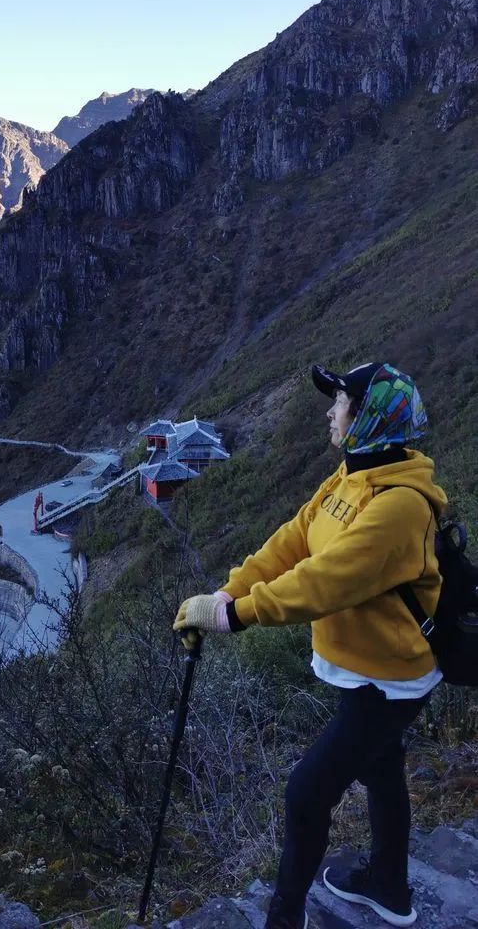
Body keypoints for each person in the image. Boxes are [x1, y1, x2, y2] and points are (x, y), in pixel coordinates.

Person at [173, 362, 446, 929]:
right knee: (381, 768)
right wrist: (226, 591)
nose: (330, 412)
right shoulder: (351, 475)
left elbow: (325, 580)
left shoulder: (401, 507)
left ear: (369, 417)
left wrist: (237, 616)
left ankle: (284, 916)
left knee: (306, 793)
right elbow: (294, 539)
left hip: (391, 676)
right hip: (361, 666)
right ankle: (389, 889)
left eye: (341, 403)